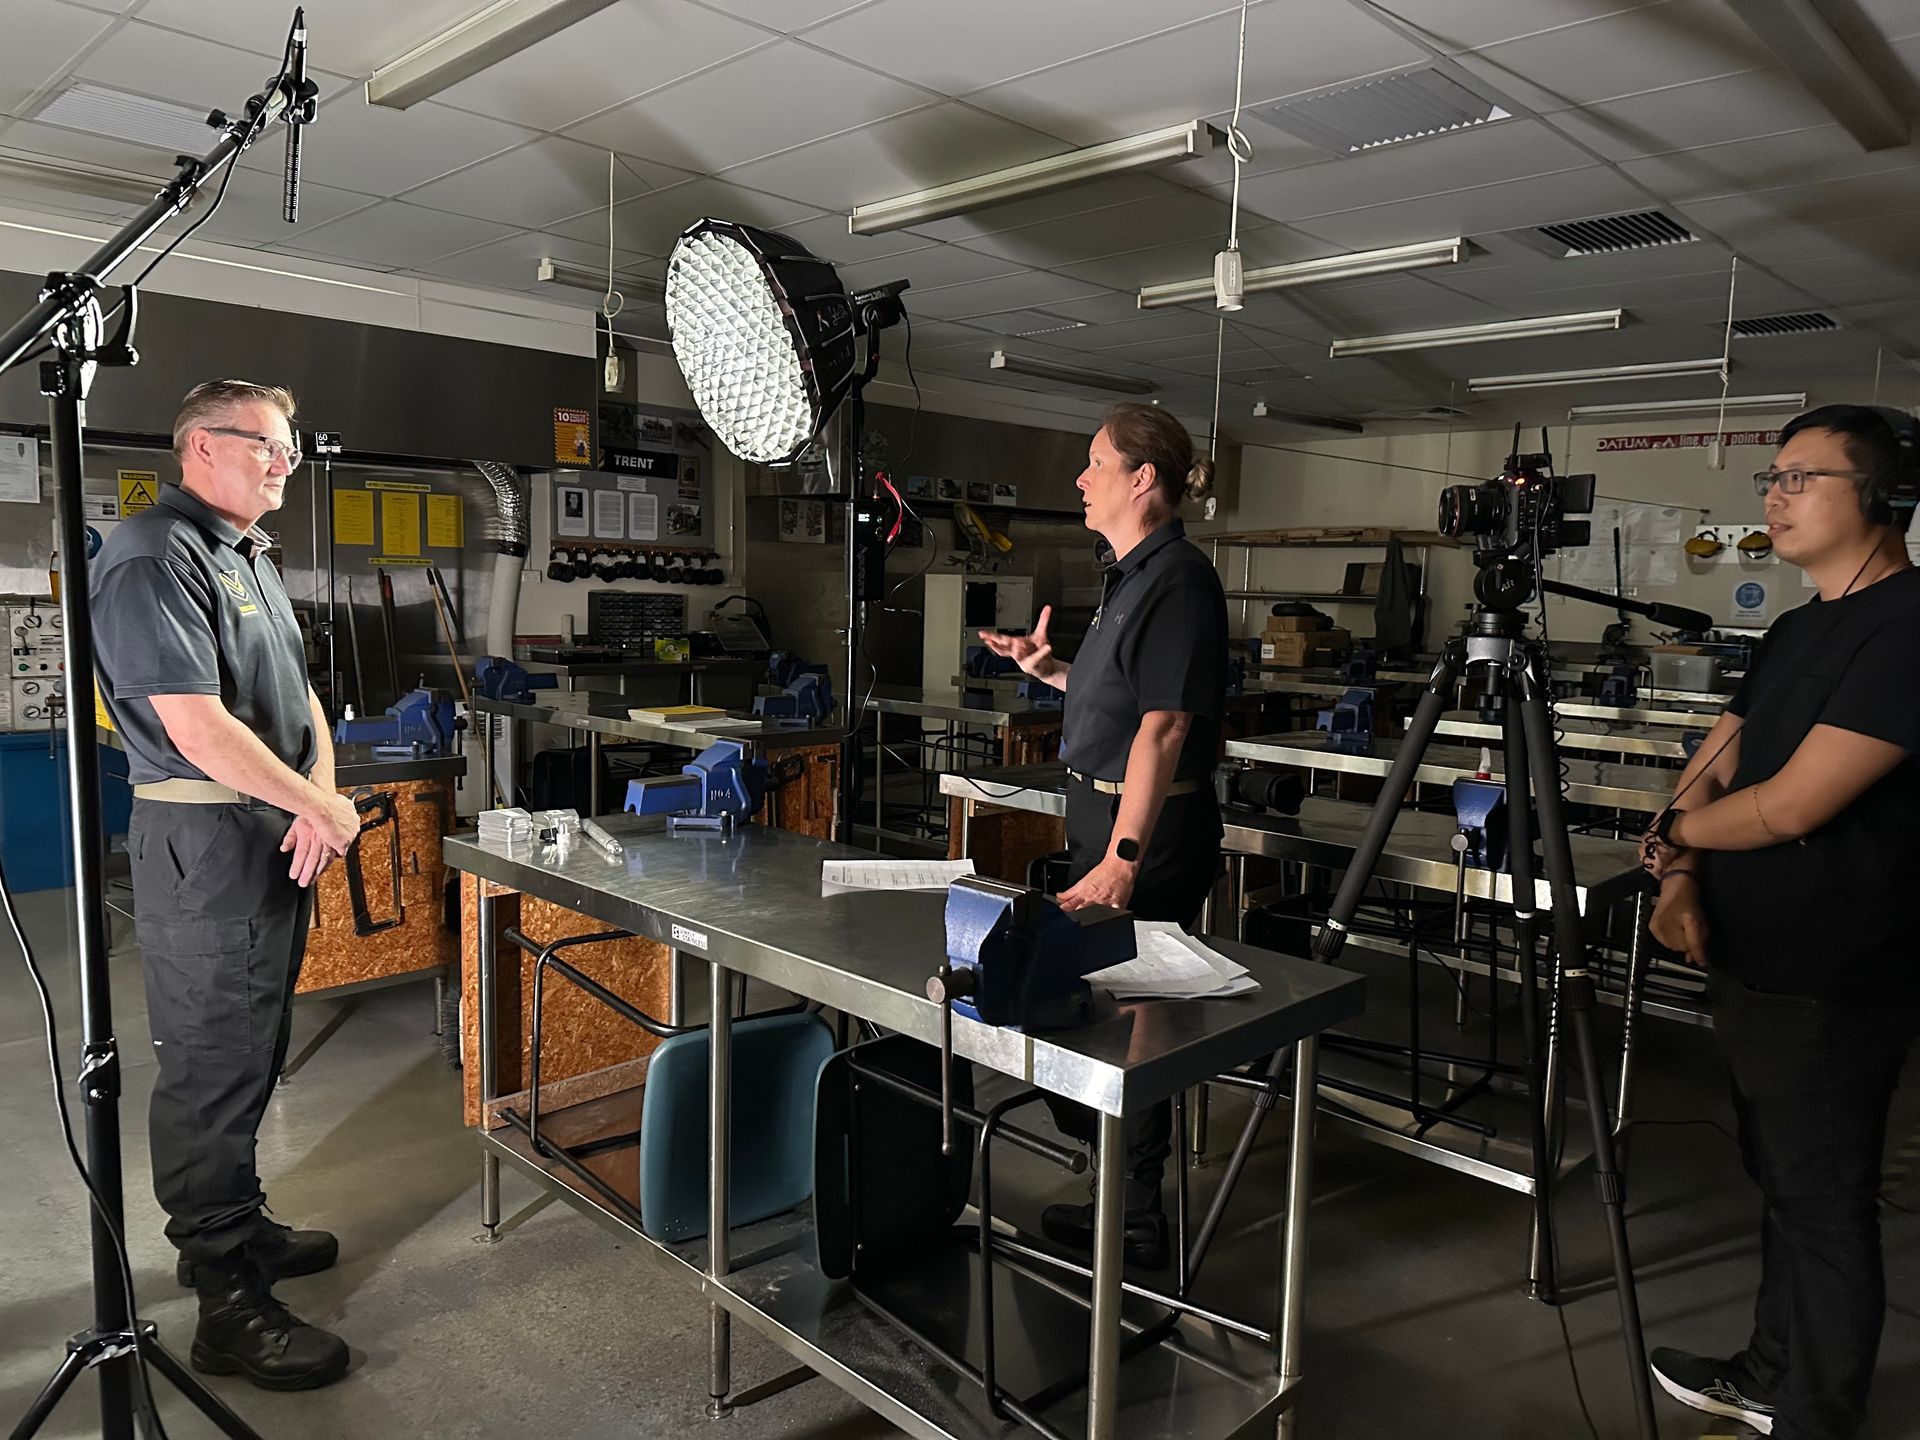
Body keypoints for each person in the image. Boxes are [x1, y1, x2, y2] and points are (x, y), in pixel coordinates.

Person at [1641, 404, 1920, 1440]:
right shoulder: (1800, 626)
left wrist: (1693, 833)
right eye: (1774, 474)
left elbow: (1798, 801)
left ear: (1883, 498)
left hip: (1834, 975)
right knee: (1784, 1186)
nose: (1775, 494)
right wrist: (1675, 857)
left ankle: (1819, 1415)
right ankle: (1768, 1370)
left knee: (1824, 1202)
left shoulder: (1908, 625)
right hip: (1752, 960)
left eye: (1803, 478)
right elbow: (1725, 751)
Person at [92, 380, 360, 1390]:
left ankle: (240, 1230)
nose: (284, 463)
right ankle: (225, 1305)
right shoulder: (154, 554)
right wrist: (316, 809)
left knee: (252, 1053)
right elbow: (197, 726)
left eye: (290, 449)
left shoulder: (243, 556)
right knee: (210, 1068)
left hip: (264, 832)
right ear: (202, 447)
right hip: (203, 846)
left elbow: (302, 704)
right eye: (268, 447)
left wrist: (316, 798)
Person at [977, 402, 1227, 1269]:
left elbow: (1163, 727)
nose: (1081, 480)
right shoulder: (1130, 573)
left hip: (1146, 840)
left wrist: (1123, 860)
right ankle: (1112, 1168)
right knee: (1094, 1009)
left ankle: (1136, 1214)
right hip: (1104, 823)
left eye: (1094, 464)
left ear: (1141, 478)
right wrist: (1046, 669)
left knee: (1128, 1020)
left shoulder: (1180, 579)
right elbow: (1117, 692)